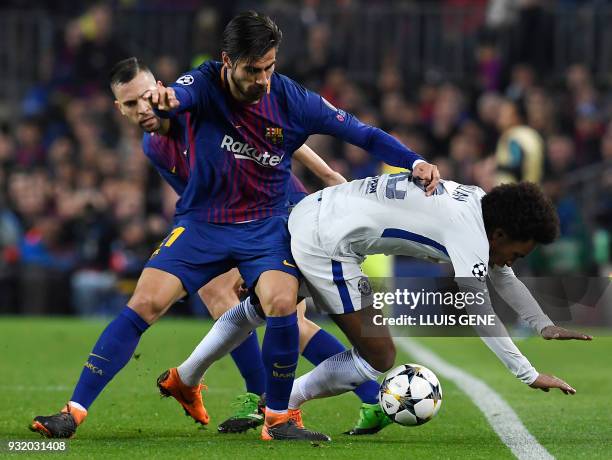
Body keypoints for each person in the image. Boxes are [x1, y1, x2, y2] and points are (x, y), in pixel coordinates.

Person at [29, 57, 381, 438]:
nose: (142, 109)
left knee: (287, 318)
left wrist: (326, 173)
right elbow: (193, 194)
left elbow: (275, 126)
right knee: (211, 295)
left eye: (147, 97)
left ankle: (365, 395)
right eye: (130, 104)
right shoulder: (153, 147)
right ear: (119, 109)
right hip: (222, 222)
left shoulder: (196, 103)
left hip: (280, 213)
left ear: (160, 88)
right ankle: (80, 410)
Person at [146, 11, 439, 441]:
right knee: (241, 301)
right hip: (237, 221)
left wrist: (402, 161)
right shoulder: (167, 136)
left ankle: (318, 399)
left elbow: (308, 132)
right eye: (255, 69)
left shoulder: (252, 96)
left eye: (270, 66)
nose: (264, 78)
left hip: (282, 217)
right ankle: (239, 391)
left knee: (280, 310)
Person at [283, 176, 592, 419]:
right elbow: (481, 313)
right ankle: (282, 404)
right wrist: (529, 374)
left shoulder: (479, 203)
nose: (514, 261)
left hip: (316, 208)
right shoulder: (469, 234)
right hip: (327, 240)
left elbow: (502, 275)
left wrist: (543, 325)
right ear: (499, 236)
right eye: (517, 254)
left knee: (261, 307)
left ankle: (273, 403)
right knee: (379, 354)